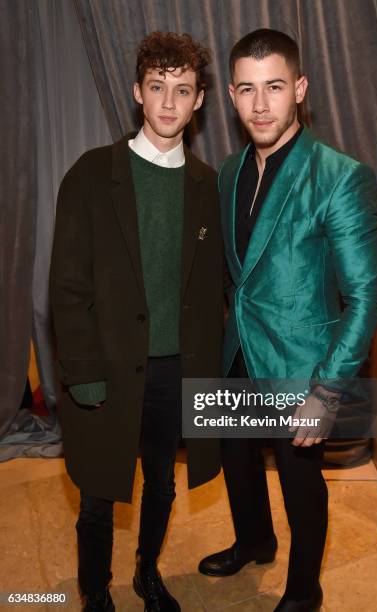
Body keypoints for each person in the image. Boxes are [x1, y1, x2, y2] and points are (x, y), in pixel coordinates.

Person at [198, 29, 377, 612]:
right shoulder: (227, 173)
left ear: (299, 89)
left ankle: (306, 588)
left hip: (303, 370)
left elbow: (367, 296)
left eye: (274, 87)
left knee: (301, 485)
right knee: (236, 458)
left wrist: (326, 391)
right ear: (230, 95)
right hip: (238, 354)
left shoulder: (339, 176)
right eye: (247, 90)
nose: (260, 105)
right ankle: (254, 540)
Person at [50, 31, 224, 612]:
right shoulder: (91, 174)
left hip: (177, 372)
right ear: (137, 93)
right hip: (107, 366)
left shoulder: (206, 184)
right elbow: (68, 289)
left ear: (200, 100)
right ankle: (95, 589)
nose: (169, 103)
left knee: (164, 482)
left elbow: (215, 287)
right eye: (158, 88)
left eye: (183, 90)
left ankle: (148, 573)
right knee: (99, 492)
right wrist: (81, 375)